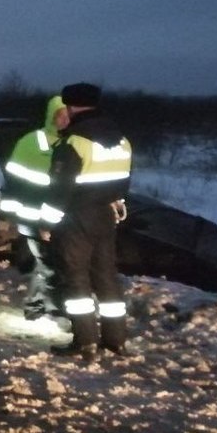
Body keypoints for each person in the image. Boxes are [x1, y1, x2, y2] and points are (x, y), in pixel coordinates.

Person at [42, 83, 133, 361]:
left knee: (75, 278)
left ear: (70, 107)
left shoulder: (74, 142)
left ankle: (85, 342)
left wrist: (47, 223)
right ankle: (115, 340)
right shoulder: (121, 140)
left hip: (77, 218)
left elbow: (60, 189)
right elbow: (123, 181)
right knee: (106, 276)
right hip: (107, 214)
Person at [0, 95, 70, 319]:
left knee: (52, 263)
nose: (66, 120)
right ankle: (51, 307)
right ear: (52, 116)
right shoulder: (31, 143)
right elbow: (12, 181)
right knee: (48, 262)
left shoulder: (74, 144)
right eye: (61, 114)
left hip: (62, 218)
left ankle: (37, 305)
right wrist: (7, 214)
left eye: (70, 115)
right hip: (33, 216)